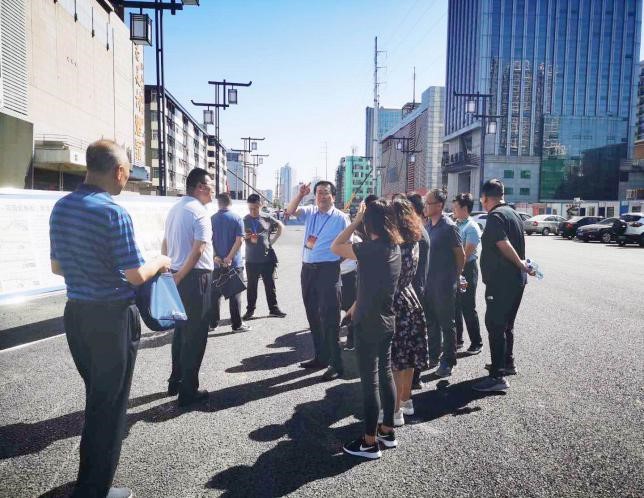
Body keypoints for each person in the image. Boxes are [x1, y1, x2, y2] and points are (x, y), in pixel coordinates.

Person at [49, 140, 171, 498]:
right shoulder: (113, 212)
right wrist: (161, 262)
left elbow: (57, 267)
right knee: (110, 407)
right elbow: (135, 275)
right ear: (118, 171)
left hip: (76, 315)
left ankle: (91, 483)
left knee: (97, 398)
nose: (126, 179)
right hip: (112, 319)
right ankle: (94, 490)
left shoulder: (61, 207)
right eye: (127, 173)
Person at [331, 200, 402, 459]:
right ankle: (387, 431)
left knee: (370, 381)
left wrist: (355, 221)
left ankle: (369, 442)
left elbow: (335, 246)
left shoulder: (369, 249)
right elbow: (373, 284)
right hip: (387, 319)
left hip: (369, 323)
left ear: (369, 222)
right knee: (385, 374)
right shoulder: (394, 247)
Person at [286, 180, 349, 381]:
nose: (322, 196)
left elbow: (348, 246)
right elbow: (289, 211)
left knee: (330, 318)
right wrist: (300, 195)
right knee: (313, 314)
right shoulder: (310, 211)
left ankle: (336, 364)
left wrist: (333, 262)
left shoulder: (341, 218)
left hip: (328, 270)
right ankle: (321, 357)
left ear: (333, 197)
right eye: (319, 192)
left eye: (326, 192)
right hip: (308, 270)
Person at [474, 179, 533, 392]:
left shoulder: (495, 216)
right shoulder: (513, 213)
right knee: (507, 324)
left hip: (502, 281)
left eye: (482, 199)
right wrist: (522, 266)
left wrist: (519, 263)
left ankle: (497, 376)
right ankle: (507, 363)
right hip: (516, 280)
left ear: (485, 198)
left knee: (495, 325)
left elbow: (503, 243)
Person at [163, 168, 215, 407]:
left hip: (176, 274)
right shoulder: (199, 212)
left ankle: (175, 381)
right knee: (195, 335)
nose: (213, 190)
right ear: (200, 187)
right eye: (210, 186)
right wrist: (181, 275)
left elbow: (165, 242)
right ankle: (188, 391)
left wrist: (170, 273)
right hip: (195, 278)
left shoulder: (175, 209)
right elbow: (199, 249)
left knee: (181, 332)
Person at [389, 198, 428, 425]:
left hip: (395, 300)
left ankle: (395, 412)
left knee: (395, 359)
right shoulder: (414, 239)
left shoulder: (394, 244)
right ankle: (406, 400)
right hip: (410, 297)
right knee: (409, 355)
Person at [424, 189, 465, 378]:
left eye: (429, 203)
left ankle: (448, 361)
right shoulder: (428, 226)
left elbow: (460, 255)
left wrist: (455, 277)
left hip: (445, 284)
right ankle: (433, 355)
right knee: (431, 321)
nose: (425, 206)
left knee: (447, 324)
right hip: (429, 283)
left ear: (439, 205)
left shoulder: (449, 227)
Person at [242, 194, 287, 320]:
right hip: (251, 259)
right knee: (252, 286)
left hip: (267, 258)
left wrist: (273, 240)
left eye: (255, 208)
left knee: (270, 285)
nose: (253, 211)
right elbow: (239, 236)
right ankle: (250, 310)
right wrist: (245, 237)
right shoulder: (244, 220)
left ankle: (274, 309)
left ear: (260, 205)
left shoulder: (266, 217)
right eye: (250, 208)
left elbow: (280, 225)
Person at [211, 192, 251, 332]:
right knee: (235, 294)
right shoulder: (236, 218)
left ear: (218, 203)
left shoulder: (211, 219)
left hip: (216, 263)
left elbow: (208, 240)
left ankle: (213, 323)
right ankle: (237, 325)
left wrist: (215, 256)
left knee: (215, 294)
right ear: (230, 202)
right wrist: (229, 257)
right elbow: (239, 240)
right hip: (233, 264)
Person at [452, 193, 484, 355]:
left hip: (467, 269)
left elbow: (466, 253)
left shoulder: (472, 227)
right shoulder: (456, 224)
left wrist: (458, 271)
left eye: (456, 207)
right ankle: (458, 340)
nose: (453, 210)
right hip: (456, 269)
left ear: (465, 208)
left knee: (468, 307)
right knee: (456, 306)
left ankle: (476, 342)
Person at [406, 193, 430, 391]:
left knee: (409, 337)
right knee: (415, 335)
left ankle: (412, 379)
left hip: (412, 289)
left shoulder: (415, 233)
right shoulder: (420, 229)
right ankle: (414, 378)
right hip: (418, 287)